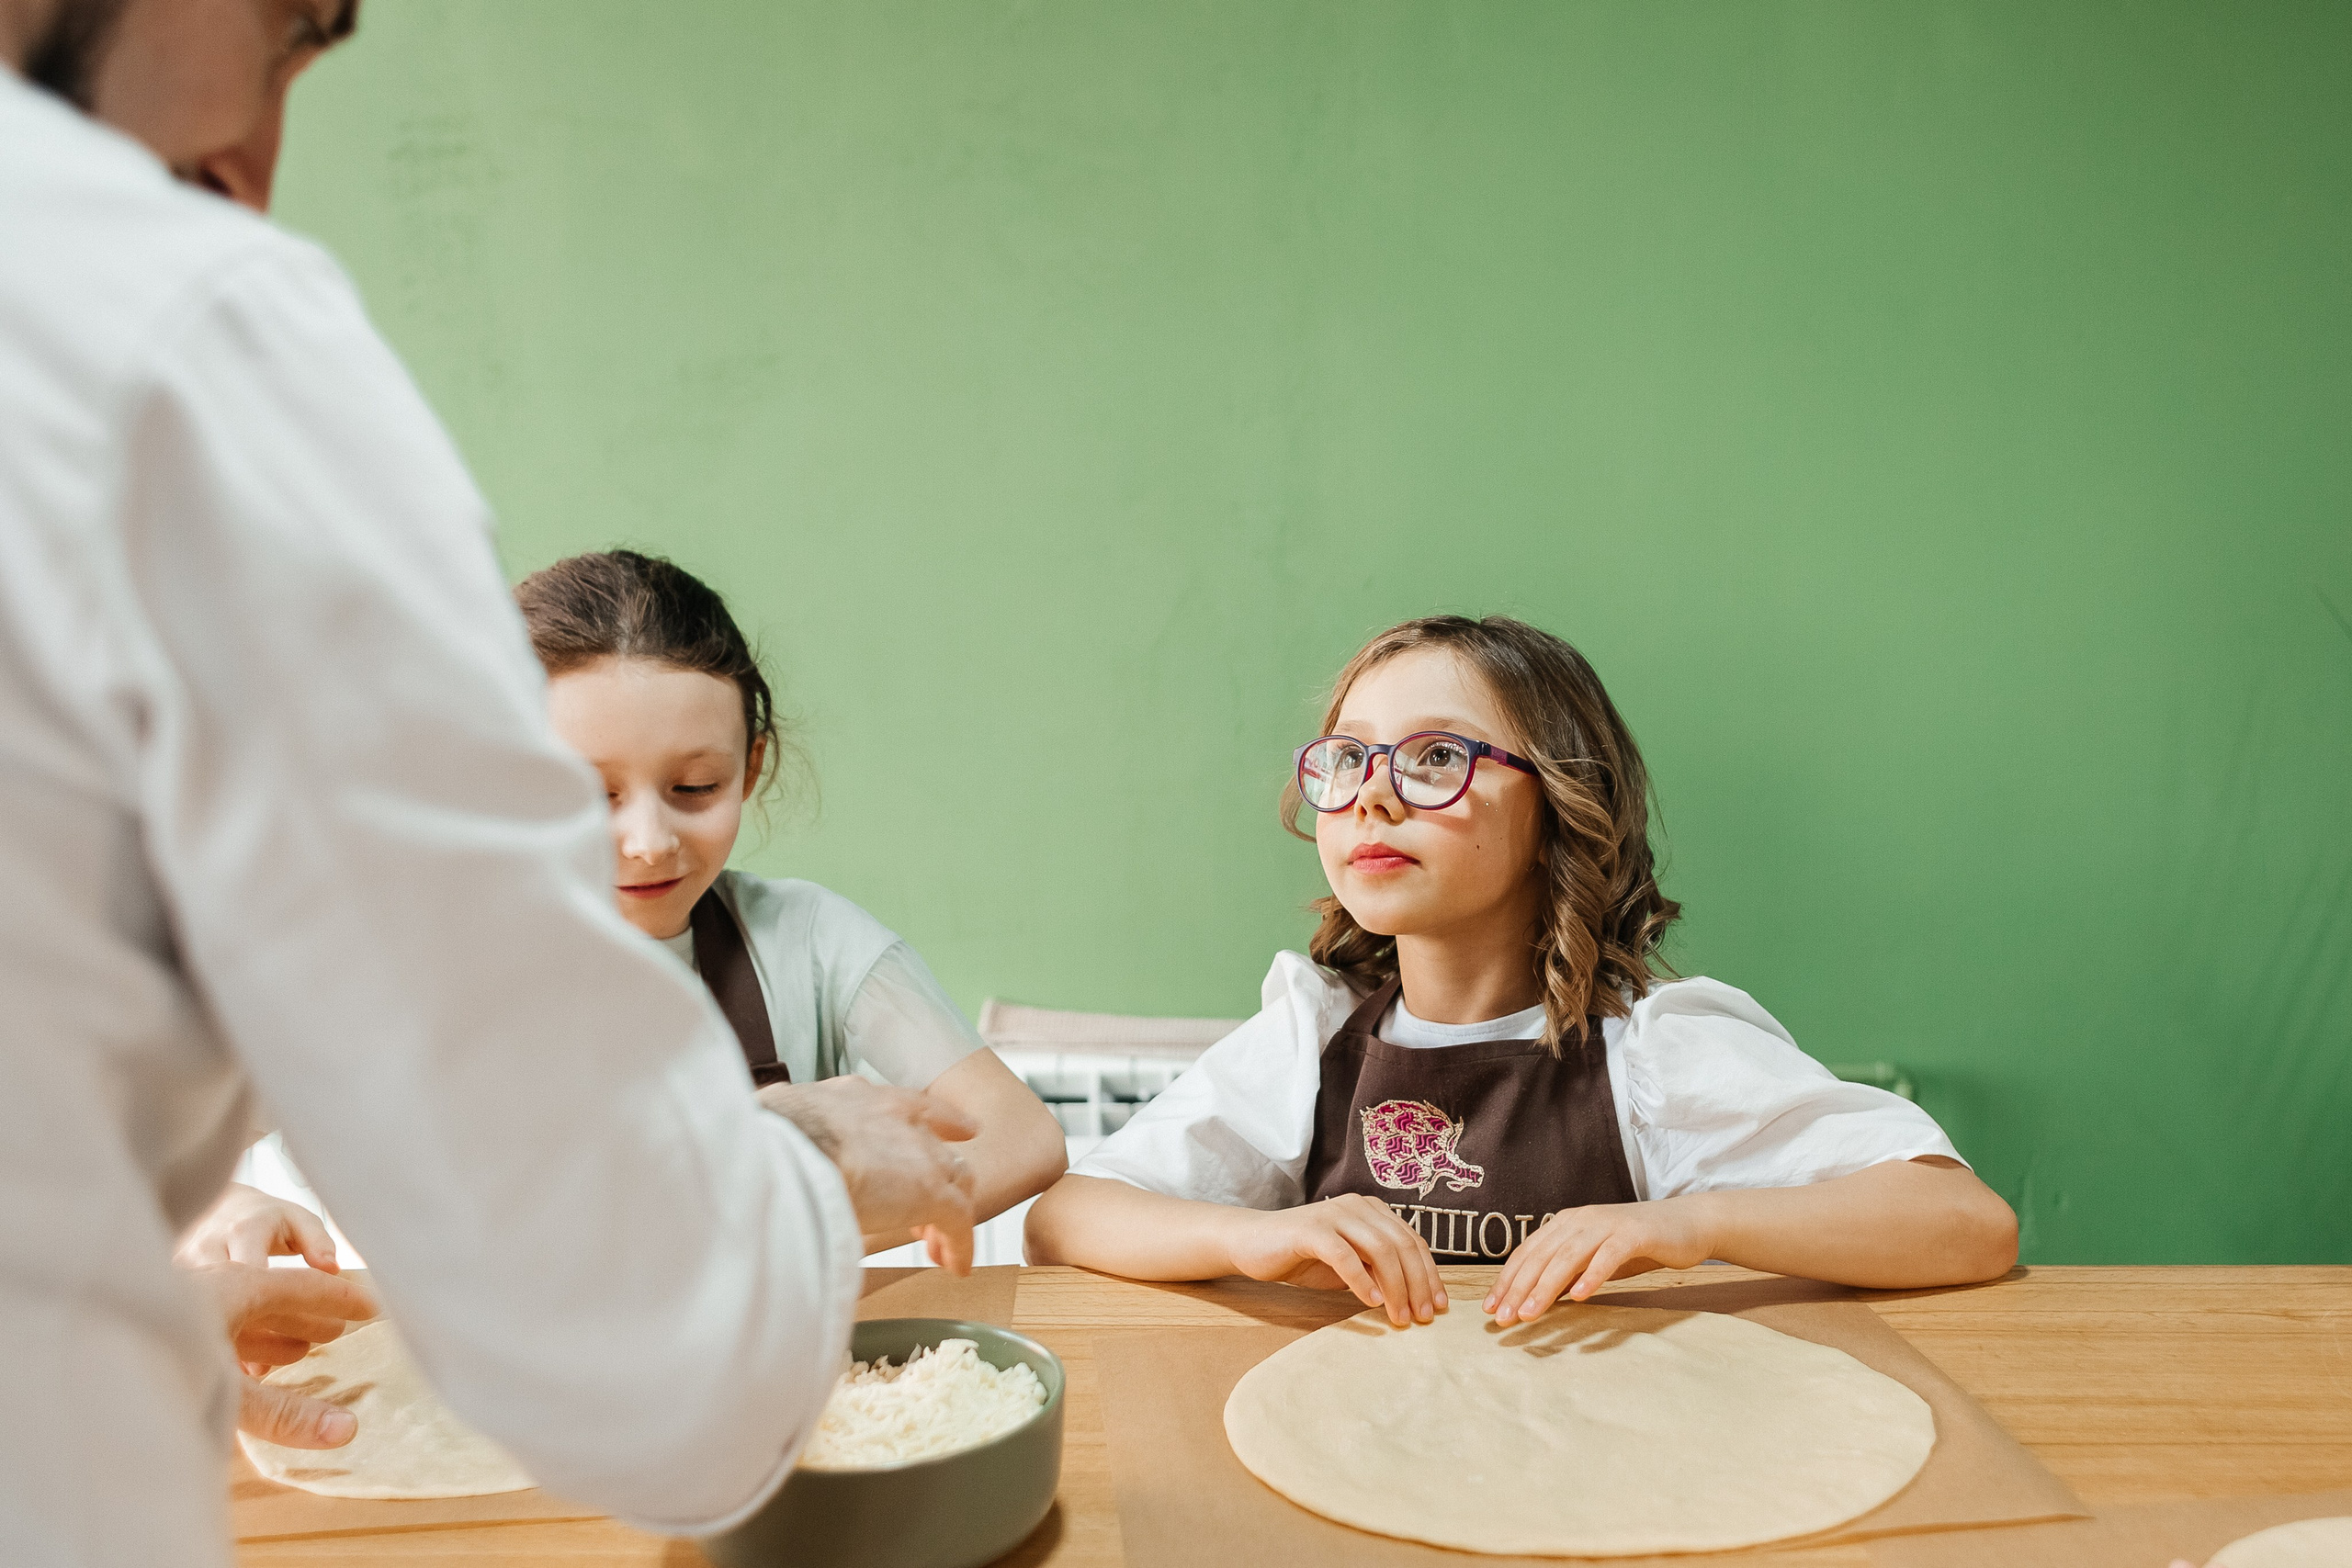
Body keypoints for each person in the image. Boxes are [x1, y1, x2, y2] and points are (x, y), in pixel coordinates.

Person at [0, 4, 978, 1564]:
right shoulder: (184, 335)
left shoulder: (813, 938)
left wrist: (123, 1297)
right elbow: (654, 1349)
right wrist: (806, 1161)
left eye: (696, 780)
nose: (252, 158)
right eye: (287, 35)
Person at [1024, 615, 2019, 1327]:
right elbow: (1067, 1217)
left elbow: (1964, 1223)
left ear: (1559, 807)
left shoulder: (1653, 1053)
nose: (1370, 798)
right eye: (1347, 761)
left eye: (1433, 759)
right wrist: (1247, 1240)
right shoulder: (1311, 1035)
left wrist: (1690, 1223)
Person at [517, 549, 1066, 1249]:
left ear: (750, 767)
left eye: (694, 788)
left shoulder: (810, 939)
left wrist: (841, 1216)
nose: (649, 841)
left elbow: (1024, 1135)